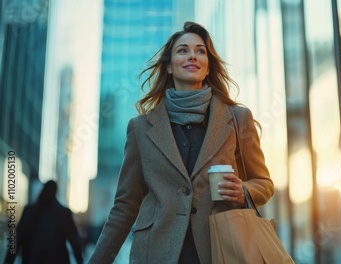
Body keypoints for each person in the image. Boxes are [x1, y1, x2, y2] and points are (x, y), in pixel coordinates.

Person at [89, 21, 275, 264]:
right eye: (183, 50)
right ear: (168, 67)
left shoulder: (237, 119)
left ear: (208, 67)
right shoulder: (140, 128)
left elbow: (264, 183)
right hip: (156, 252)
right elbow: (125, 206)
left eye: (200, 51)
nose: (192, 56)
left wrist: (243, 191)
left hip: (221, 250)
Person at [4, 180, 83, 264]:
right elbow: (75, 243)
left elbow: (16, 240)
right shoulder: (64, 213)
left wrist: (8, 261)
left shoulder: (29, 211)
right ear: (55, 192)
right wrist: (80, 261)